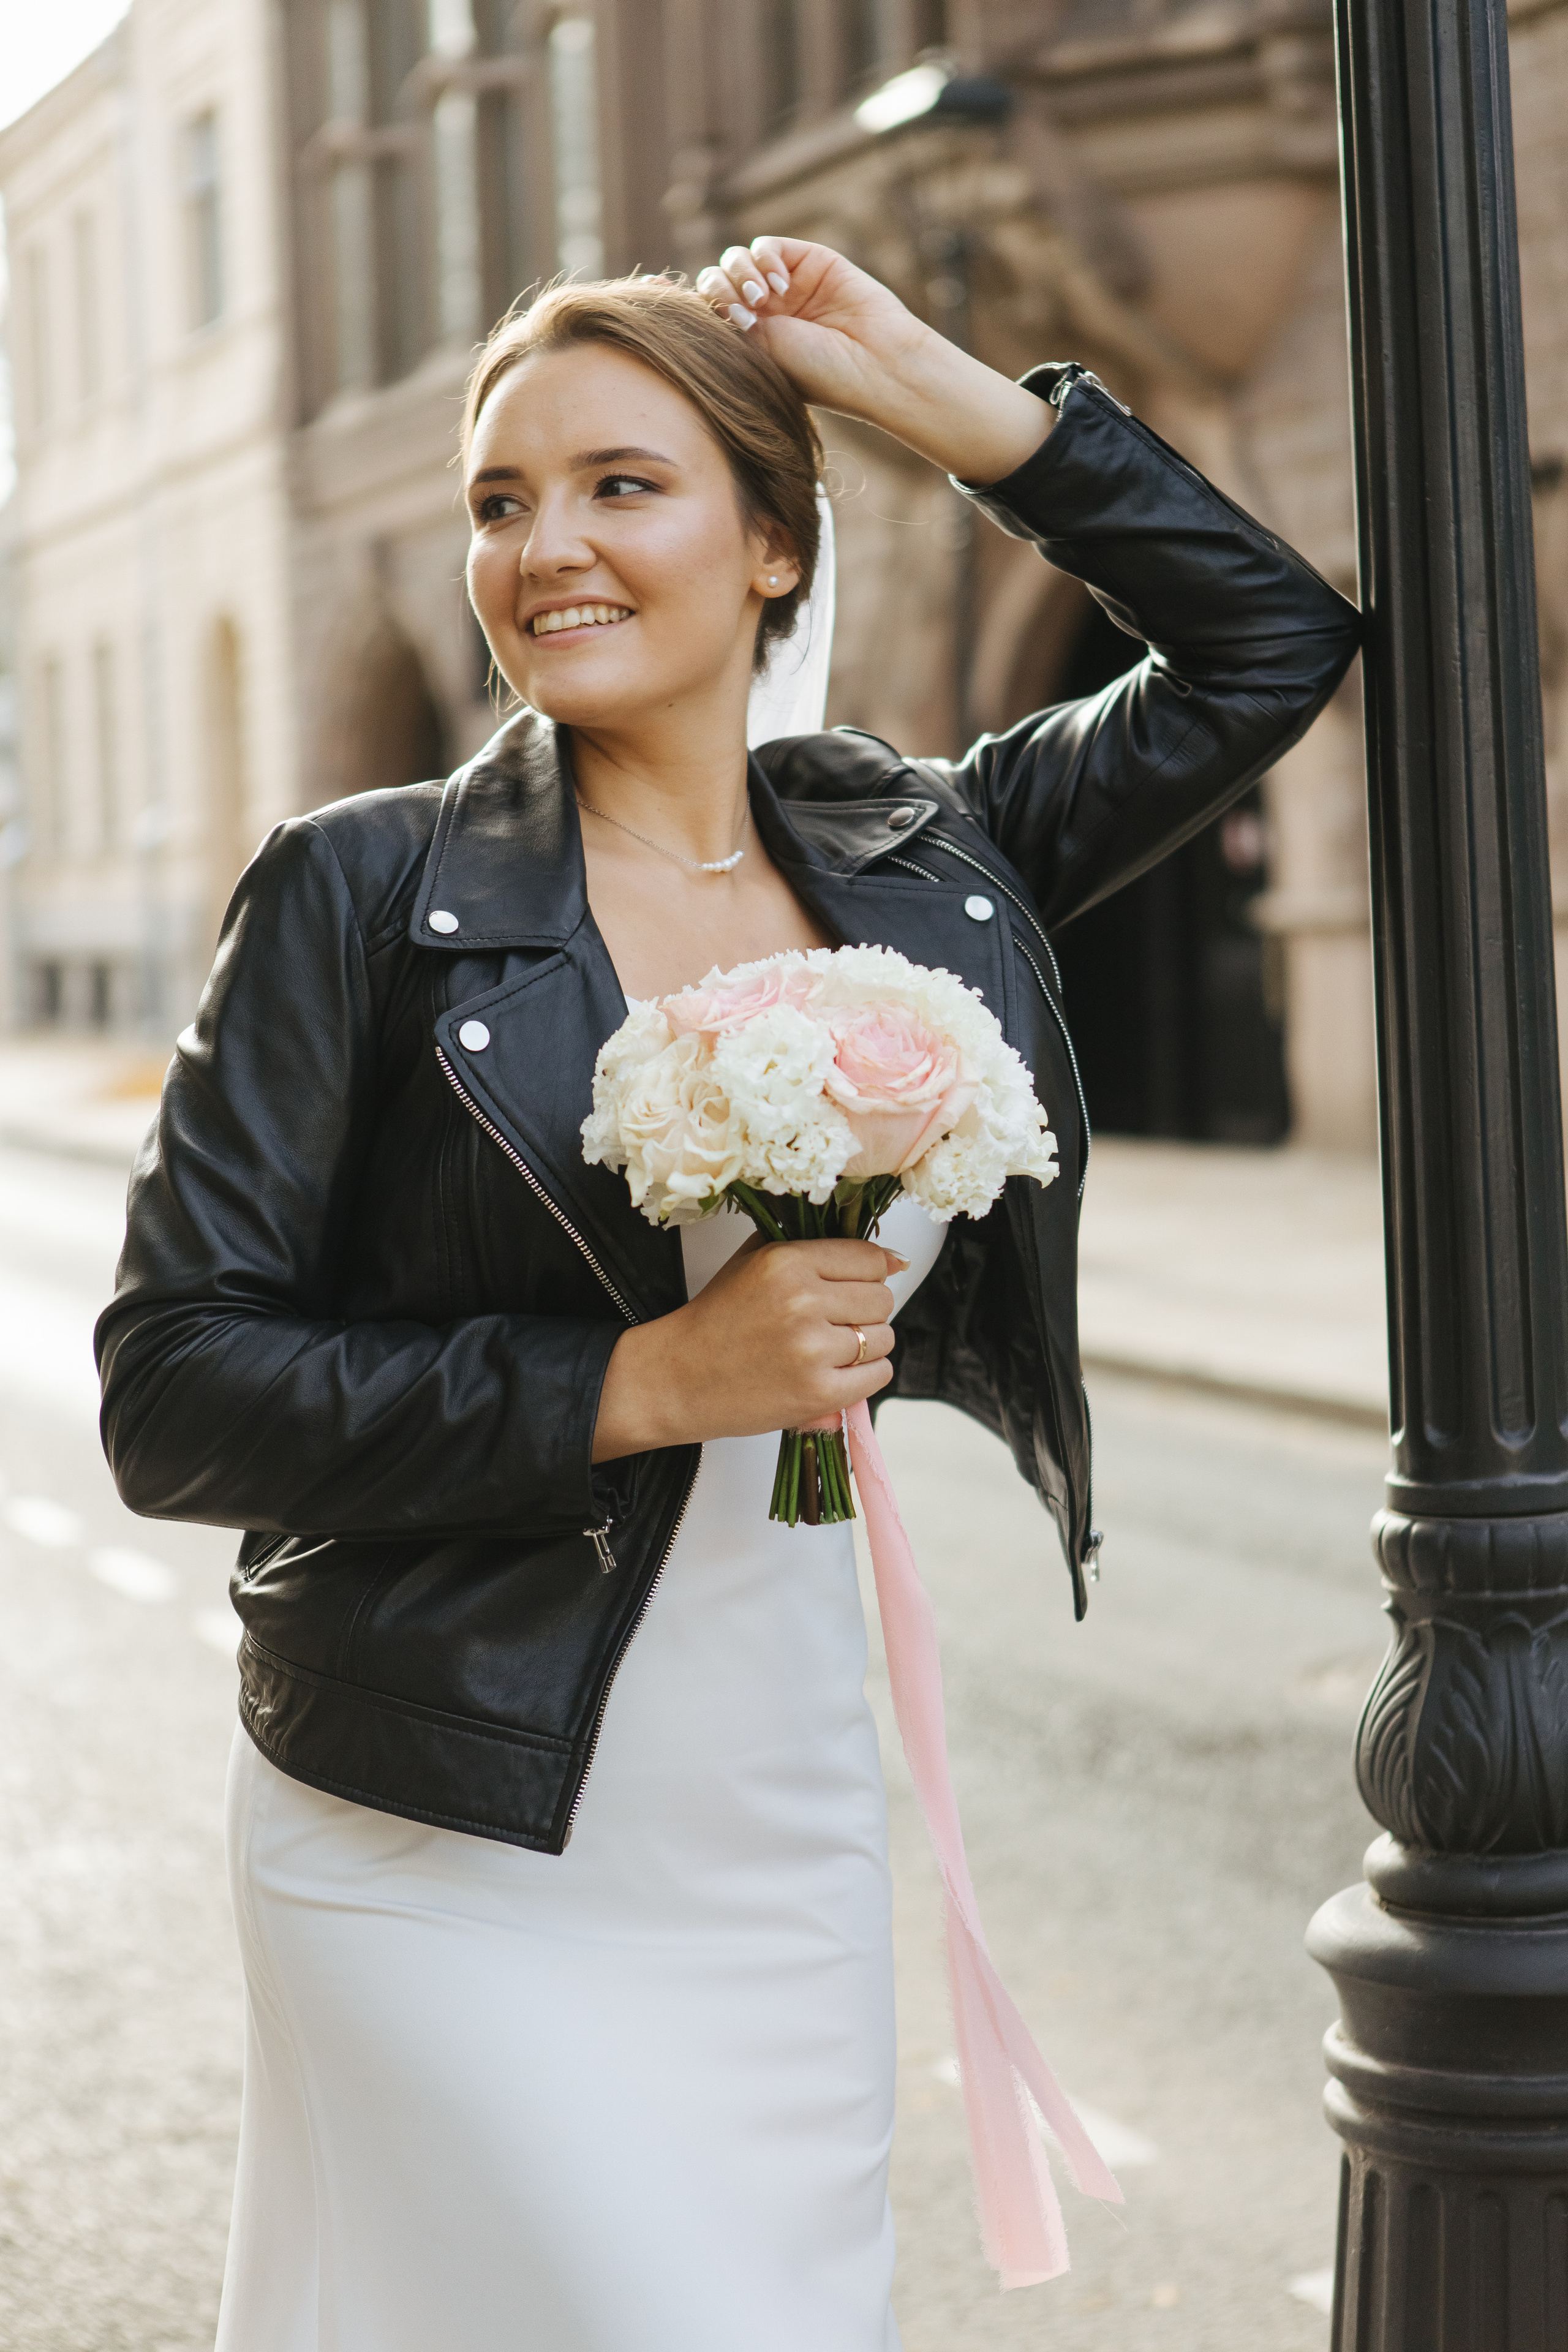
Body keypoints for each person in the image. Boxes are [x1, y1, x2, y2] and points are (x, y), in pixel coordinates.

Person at [95, 236, 1359, 2350]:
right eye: (502, 500)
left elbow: (1271, 642)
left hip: (771, 1814)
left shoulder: (930, 863)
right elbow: (176, 1389)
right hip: (437, 1810)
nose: (544, 549)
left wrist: (936, 387)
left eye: (622, 485)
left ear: (775, 542)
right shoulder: (362, 888)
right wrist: (642, 1378)